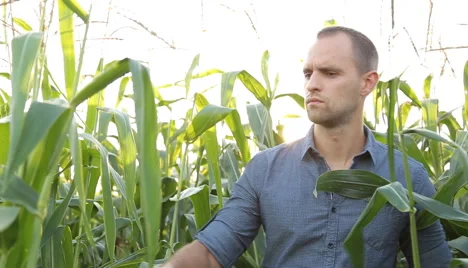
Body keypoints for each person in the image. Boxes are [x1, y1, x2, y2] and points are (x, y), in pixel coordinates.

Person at [160, 26, 452, 268]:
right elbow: (211, 253)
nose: (312, 84)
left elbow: (433, 263)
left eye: (330, 73)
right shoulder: (265, 170)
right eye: (308, 73)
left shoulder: (406, 177)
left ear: (367, 83)